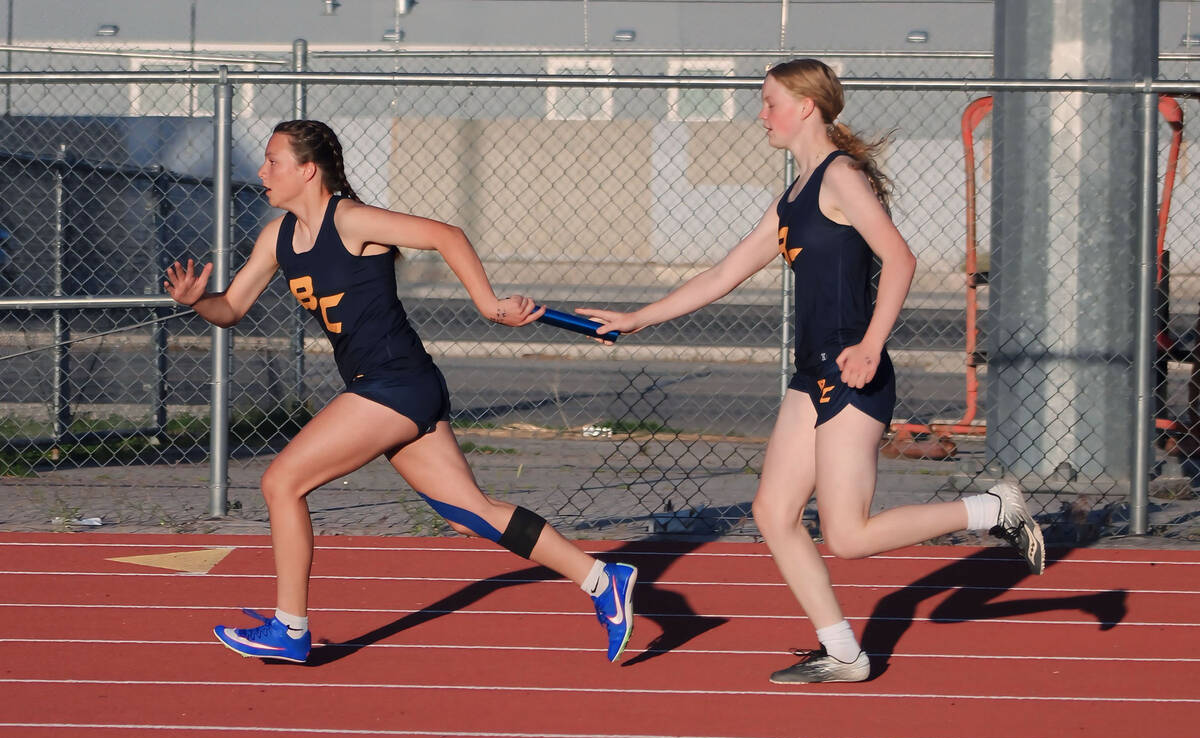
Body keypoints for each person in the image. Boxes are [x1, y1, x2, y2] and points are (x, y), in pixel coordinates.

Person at [577, 59, 1043, 684]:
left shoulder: (842, 177)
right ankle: (843, 651)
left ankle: (992, 509)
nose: (760, 114)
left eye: (769, 101)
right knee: (774, 514)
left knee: (847, 536)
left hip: (854, 369)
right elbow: (721, 275)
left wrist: (873, 344)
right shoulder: (792, 198)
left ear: (806, 106)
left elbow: (900, 260)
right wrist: (636, 318)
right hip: (811, 375)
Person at [163, 119, 636, 665]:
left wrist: (487, 304)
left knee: (282, 481)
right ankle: (602, 579)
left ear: (307, 170)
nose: (263, 172)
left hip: (395, 383)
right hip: (393, 387)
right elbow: (232, 309)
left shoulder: (354, 220)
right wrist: (197, 301)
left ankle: (290, 628)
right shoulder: (277, 238)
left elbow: (447, 235)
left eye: (273, 161)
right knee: (467, 513)